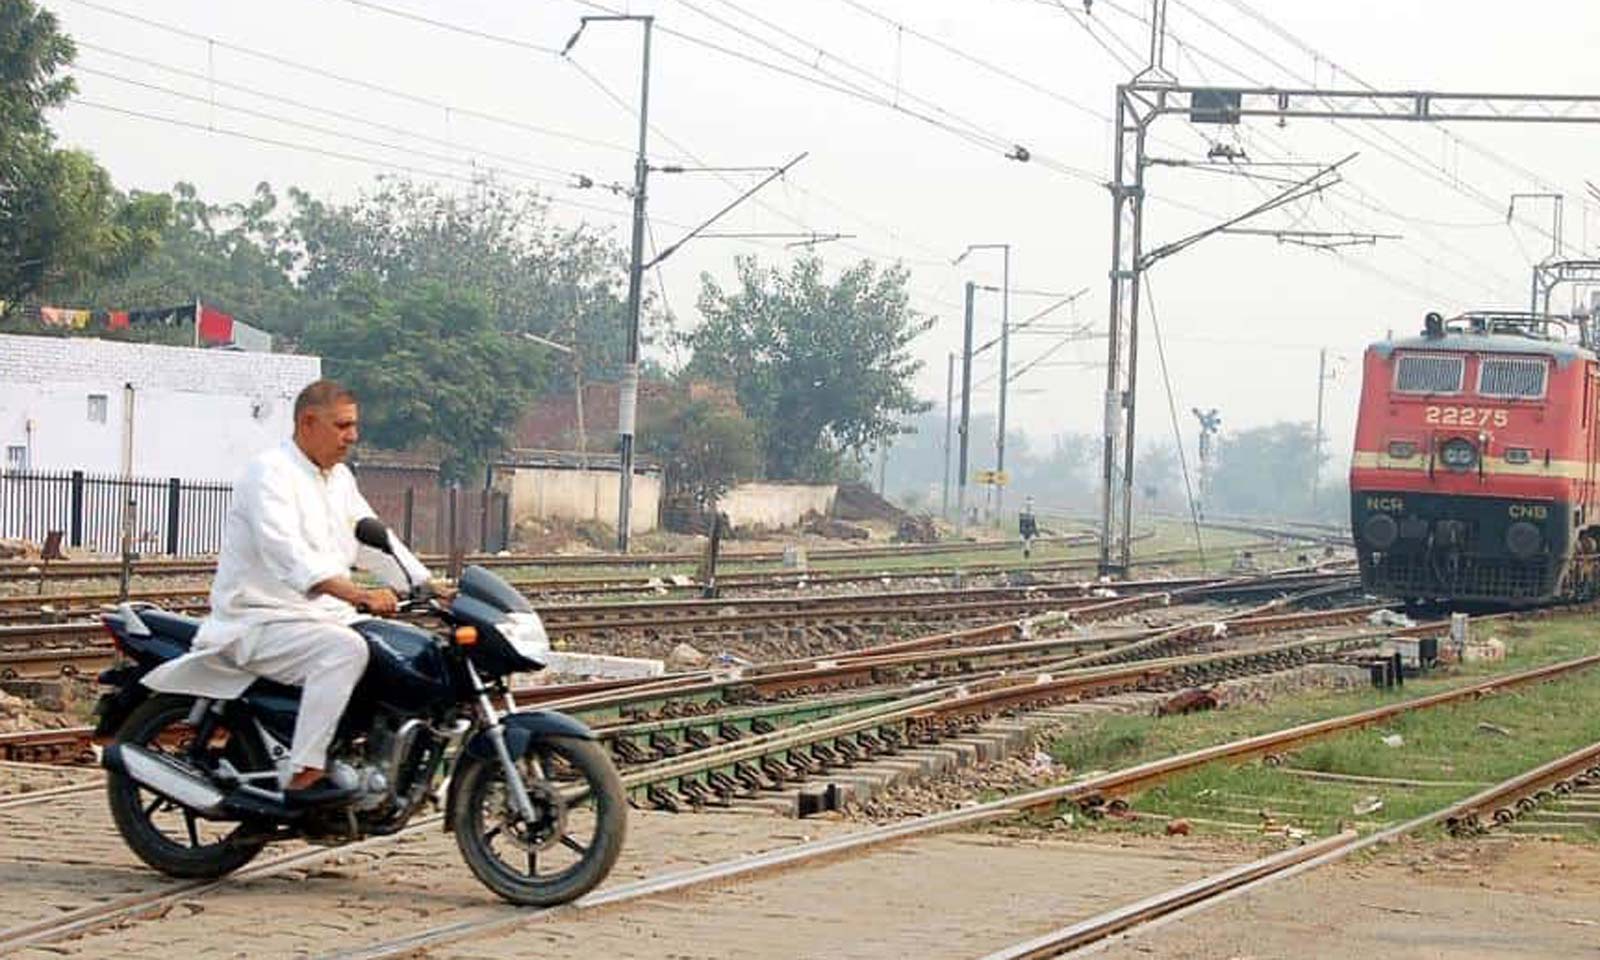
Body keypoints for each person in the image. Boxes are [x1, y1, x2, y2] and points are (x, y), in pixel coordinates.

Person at [143, 380, 438, 806]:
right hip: (259, 619)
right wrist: (358, 594)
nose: (352, 437)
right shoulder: (269, 474)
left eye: (354, 426)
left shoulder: (338, 480)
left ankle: (364, 759)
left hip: (316, 619)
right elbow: (289, 557)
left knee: (393, 652)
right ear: (308, 422)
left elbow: (372, 541)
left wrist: (427, 585)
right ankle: (306, 773)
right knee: (345, 651)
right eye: (343, 426)